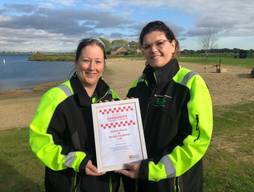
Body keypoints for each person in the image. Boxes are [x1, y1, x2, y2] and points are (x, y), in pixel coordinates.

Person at [118, 21, 213, 192]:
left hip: (172, 183)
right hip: (138, 181)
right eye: (147, 46)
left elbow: (197, 141)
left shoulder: (191, 83)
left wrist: (152, 169)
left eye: (159, 43)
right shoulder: (137, 85)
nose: (153, 49)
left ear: (173, 45)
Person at [29, 38, 121, 192]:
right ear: (76, 62)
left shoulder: (112, 97)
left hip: (107, 184)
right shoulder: (55, 97)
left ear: (104, 64)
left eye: (98, 61)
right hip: (70, 183)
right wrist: (77, 161)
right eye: (86, 60)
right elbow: (40, 142)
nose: (92, 67)